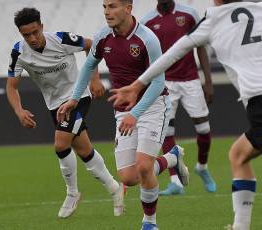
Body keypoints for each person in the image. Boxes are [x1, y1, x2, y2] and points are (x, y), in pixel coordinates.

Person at [108, 1, 262, 229]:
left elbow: (174, 53)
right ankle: (240, 226)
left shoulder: (213, 19)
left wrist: (137, 85)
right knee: (238, 155)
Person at [57, 0, 189, 229]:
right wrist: (74, 99)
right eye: (105, 6)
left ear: (128, 8)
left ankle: (149, 223)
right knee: (129, 177)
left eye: (113, 6)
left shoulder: (147, 39)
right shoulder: (103, 36)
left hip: (153, 105)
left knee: (144, 166)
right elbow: (89, 65)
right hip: (123, 111)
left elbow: (158, 82)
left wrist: (135, 113)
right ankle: (172, 158)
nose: (107, 12)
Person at [6, 7, 125, 219]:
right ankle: (115, 189)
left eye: (35, 32)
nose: (32, 38)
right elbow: (11, 86)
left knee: (61, 145)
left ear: (42, 26)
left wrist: (95, 78)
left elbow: (92, 46)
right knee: (84, 151)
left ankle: (72, 193)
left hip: (77, 97)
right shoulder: (19, 52)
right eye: (26, 35)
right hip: (54, 106)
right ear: (20, 34)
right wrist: (18, 110)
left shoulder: (61, 39)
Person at [140, 0, 216, 195]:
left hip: (190, 80)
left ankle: (203, 167)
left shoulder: (189, 13)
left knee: (204, 129)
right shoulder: (147, 21)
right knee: (166, 131)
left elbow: (200, 46)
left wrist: (207, 80)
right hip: (164, 83)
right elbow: (145, 56)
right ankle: (176, 182)